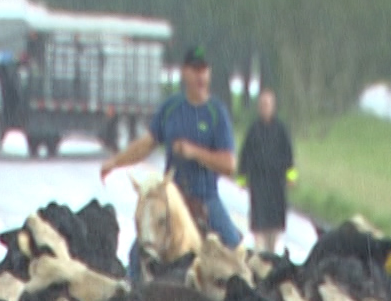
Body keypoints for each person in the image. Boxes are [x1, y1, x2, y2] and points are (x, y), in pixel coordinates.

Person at [101, 44, 241, 252]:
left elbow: (229, 164)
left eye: (203, 70)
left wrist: (194, 152)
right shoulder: (171, 108)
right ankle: (133, 282)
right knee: (138, 251)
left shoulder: (216, 113)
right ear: (184, 72)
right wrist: (115, 162)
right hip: (171, 197)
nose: (200, 76)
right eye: (195, 70)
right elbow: (146, 144)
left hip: (205, 198)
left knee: (234, 248)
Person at [237, 90, 295, 254]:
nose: (265, 108)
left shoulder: (281, 129)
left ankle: (272, 250)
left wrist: (291, 178)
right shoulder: (253, 130)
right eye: (262, 105)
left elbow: (289, 156)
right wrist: (242, 180)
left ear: (273, 107)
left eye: (268, 105)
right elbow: (245, 155)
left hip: (276, 183)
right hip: (258, 182)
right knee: (259, 218)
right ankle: (259, 251)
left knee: (275, 219)